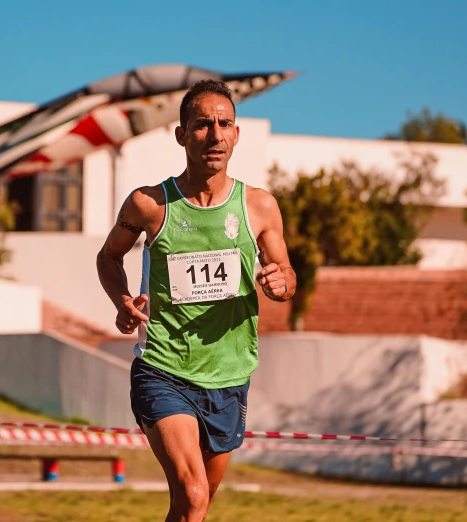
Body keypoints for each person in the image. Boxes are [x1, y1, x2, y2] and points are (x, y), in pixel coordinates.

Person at [96, 79, 296, 522]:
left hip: (229, 375)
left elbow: (286, 272)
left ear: (237, 135)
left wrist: (279, 281)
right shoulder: (150, 205)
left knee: (192, 510)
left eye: (225, 124)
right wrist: (122, 299)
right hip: (164, 370)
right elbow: (109, 257)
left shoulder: (259, 206)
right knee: (193, 494)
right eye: (203, 124)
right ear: (182, 135)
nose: (215, 134)